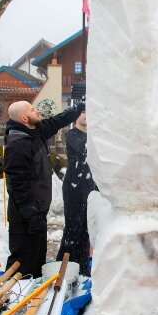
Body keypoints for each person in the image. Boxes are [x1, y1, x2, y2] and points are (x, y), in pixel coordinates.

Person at [4, 99, 84, 278]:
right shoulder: (18, 144)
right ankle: (14, 296)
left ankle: (34, 296)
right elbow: (18, 184)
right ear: (25, 118)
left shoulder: (34, 132)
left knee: (38, 259)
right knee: (23, 261)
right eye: (33, 110)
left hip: (37, 212)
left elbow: (56, 122)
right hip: (25, 216)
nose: (37, 111)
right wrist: (31, 214)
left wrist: (78, 108)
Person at [57, 110, 98, 276]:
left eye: (89, 111)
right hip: (74, 188)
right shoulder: (72, 135)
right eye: (82, 112)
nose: (86, 115)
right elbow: (85, 149)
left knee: (86, 231)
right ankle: (64, 267)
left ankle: (81, 267)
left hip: (90, 188)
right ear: (76, 117)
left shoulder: (94, 137)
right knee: (73, 229)